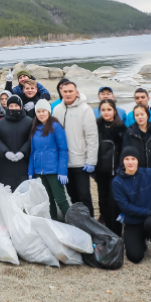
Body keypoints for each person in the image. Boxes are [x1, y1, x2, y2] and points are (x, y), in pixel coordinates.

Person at [112, 146, 151, 267]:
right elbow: (125, 207)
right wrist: (150, 213)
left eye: (133, 158)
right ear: (123, 161)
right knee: (135, 257)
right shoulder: (117, 182)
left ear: (138, 160)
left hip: (150, 221)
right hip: (133, 222)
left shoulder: (150, 174)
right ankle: (141, 241)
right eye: (127, 159)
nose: (130, 162)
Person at [53, 79, 98, 215]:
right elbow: (54, 137)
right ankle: (79, 225)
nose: (67, 94)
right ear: (61, 92)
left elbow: (92, 137)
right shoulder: (57, 110)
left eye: (70, 91)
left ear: (76, 92)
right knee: (72, 197)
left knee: (84, 196)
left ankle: (90, 225)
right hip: (64, 164)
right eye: (65, 91)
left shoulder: (85, 109)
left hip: (81, 163)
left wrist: (91, 161)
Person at [29, 100, 70, 220]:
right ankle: (54, 224)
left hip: (53, 171)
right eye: (38, 111)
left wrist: (62, 171)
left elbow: (63, 149)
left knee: (60, 200)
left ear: (49, 111)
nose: (41, 114)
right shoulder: (35, 128)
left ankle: (73, 225)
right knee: (48, 200)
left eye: (44, 111)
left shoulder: (55, 126)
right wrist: (30, 172)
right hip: (39, 172)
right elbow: (33, 152)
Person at [94, 99, 127, 234]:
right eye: (103, 110)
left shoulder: (121, 128)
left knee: (114, 203)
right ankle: (106, 230)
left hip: (115, 171)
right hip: (100, 171)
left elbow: (125, 149)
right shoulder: (96, 125)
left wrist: (122, 168)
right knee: (102, 201)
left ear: (114, 111)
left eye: (109, 109)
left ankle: (116, 232)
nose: (106, 112)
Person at [0, 95, 33, 190]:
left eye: (16, 105)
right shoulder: (0, 123)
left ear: (20, 106)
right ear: (7, 107)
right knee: (8, 192)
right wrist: (5, 152)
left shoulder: (29, 122)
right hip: (6, 164)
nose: (14, 108)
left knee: (24, 192)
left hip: (24, 163)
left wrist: (23, 152)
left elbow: (31, 139)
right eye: (11, 106)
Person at [122, 103, 151, 171]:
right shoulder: (129, 132)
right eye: (137, 115)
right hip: (136, 170)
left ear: (147, 115)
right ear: (134, 117)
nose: (140, 117)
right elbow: (126, 152)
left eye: (142, 114)